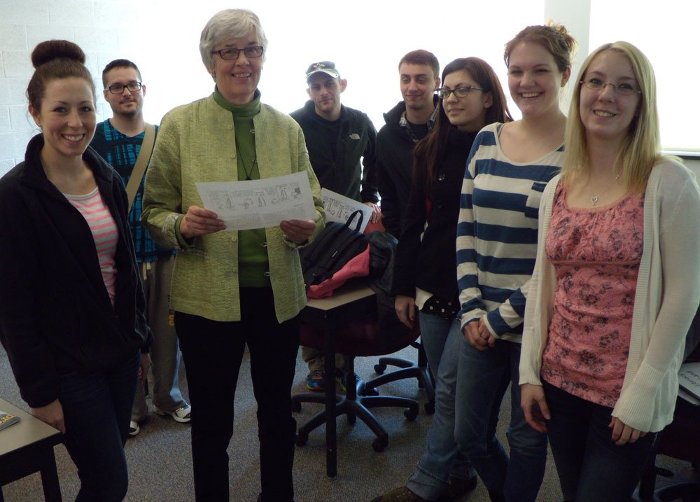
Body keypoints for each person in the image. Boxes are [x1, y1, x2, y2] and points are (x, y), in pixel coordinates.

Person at [141, 9, 324, 502]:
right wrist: (180, 225)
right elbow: (154, 208)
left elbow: (316, 200)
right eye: (229, 52)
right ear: (210, 61)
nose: (243, 61)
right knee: (213, 420)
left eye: (253, 50)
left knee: (275, 412)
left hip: (278, 296)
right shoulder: (180, 125)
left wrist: (308, 227)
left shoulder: (286, 128)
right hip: (208, 300)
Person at [519, 41, 700, 502]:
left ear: (642, 103)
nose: (606, 95)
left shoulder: (668, 181)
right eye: (596, 81)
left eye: (625, 87)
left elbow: (685, 293)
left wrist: (642, 395)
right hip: (559, 381)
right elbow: (544, 285)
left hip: (624, 393)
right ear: (577, 91)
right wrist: (529, 373)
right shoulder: (559, 187)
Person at [0, 40, 149, 500]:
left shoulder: (103, 174)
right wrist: (40, 393)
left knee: (107, 468)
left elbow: (124, 266)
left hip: (119, 353)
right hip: (67, 365)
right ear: (35, 112)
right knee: (109, 480)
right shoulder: (16, 195)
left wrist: (140, 340)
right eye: (60, 109)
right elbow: (12, 307)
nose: (75, 122)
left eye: (85, 108)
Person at [374, 58, 512, 502]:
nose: (450, 99)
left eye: (461, 90)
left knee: (453, 388)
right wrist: (401, 287)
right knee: (444, 381)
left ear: (488, 96)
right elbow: (414, 221)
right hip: (434, 281)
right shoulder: (432, 147)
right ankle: (459, 471)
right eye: (447, 91)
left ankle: (426, 483)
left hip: (485, 288)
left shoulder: (509, 147)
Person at [454, 25, 577, 502]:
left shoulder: (580, 153)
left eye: (540, 70)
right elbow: (467, 226)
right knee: (468, 436)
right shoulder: (486, 139)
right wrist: (470, 309)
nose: (527, 81)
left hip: (538, 325)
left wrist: (500, 317)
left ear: (565, 74)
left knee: (526, 439)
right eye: (517, 71)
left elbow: (561, 260)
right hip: (478, 320)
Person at [91, 59, 191, 436]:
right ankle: (132, 407)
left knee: (168, 332)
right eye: (117, 87)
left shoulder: (164, 136)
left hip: (165, 251)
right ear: (106, 95)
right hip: (121, 257)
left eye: (132, 84)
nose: (126, 91)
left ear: (143, 89)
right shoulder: (95, 140)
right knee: (126, 334)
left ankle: (168, 397)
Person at [291, 60, 380, 392]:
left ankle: (344, 361)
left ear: (342, 85)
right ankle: (317, 363)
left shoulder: (359, 121)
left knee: (344, 291)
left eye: (328, 84)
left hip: (350, 223)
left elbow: (375, 161)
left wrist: (370, 196)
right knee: (312, 293)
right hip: (310, 223)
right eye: (316, 86)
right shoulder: (295, 123)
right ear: (309, 91)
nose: (323, 92)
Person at [377, 49, 440, 238]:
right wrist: (398, 238)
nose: (412, 87)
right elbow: (388, 197)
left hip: (449, 242)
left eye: (420, 79)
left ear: (437, 83)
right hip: (406, 241)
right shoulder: (386, 136)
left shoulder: (454, 128)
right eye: (405, 79)